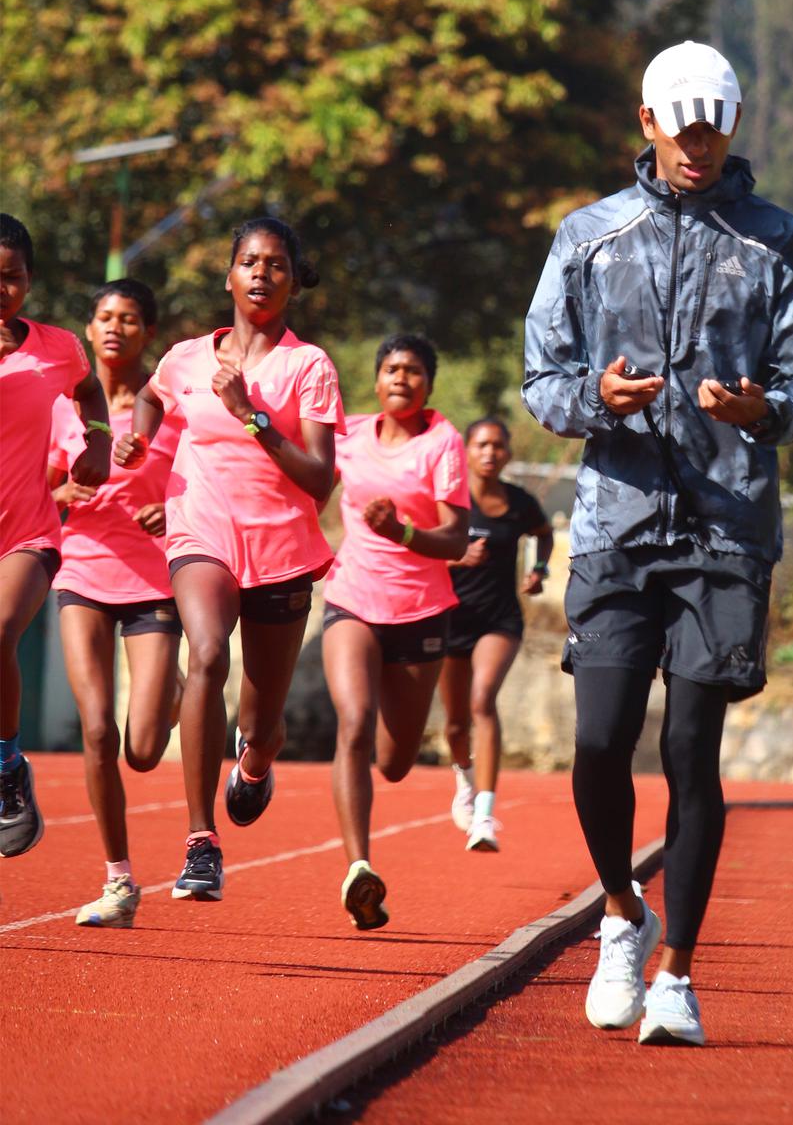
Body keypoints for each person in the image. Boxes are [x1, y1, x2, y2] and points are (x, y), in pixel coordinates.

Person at [522, 41, 793, 1046]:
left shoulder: (782, 241)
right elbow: (541, 383)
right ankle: (620, 911)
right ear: (647, 124)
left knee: (694, 751)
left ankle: (678, 973)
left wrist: (761, 407)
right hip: (616, 523)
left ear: (732, 126)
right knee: (600, 742)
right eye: (683, 128)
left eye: (716, 128)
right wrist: (593, 399)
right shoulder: (586, 236)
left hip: (727, 531)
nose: (700, 146)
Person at [115, 217, 344, 902]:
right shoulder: (187, 357)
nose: (262, 273)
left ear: (291, 282)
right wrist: (139, 437)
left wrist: (252, 414)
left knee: (263, 719)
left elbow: (319, 479)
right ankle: (200, 843)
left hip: (282, 549)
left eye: (277, 264)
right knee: (207, 656)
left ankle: (253, 762)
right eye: (249, 261)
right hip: (201, 532)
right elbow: (154, 396)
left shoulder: (309, 366)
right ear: (229, 274)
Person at [47, 278, 183, 926]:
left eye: (129, 318)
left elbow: (206, 482)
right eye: (104, 316)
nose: (114, 328)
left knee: (144, 748)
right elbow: (34, 481)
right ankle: (119, 881)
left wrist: (172, 509)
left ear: (148, 332)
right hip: (80, 573)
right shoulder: (62, 404)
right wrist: (58, 499)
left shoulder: (168, 406)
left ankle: (176, 689)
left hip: (154, 581)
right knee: (97, 728)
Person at [322, 334, 468, 929]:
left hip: (421, 612)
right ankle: (359, 867)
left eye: (412, 370)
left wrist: (403, 532)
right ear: (376, 381)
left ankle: (389, 769)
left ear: (428, 384)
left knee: (396, 761)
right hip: (352, 600)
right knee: (352, 722)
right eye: (390, 369)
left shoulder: (443, 443)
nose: (400, 378)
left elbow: (456, 541)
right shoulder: (348, 436)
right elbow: (301, 480)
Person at [1, 212, 111, 859]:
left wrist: (96, 441)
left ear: (30, 282)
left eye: (11, 278)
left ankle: (9, 768)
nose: (1, 288)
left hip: (28, 535)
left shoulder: (58, 346)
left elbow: (90, 389)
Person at [438, 417, 553, 852]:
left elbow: (544, 534)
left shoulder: (520, 503)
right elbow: (419, 550)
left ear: (507, 452)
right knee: (454, 725)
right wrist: (456, 558)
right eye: (482, 445)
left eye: (498, 446)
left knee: (482, 699)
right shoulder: (449, 501)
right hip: (451, 620)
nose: (490, 452)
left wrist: (539, 569)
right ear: (466, 450)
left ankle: (484, 815)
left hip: (499, 620)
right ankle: (464, 776)